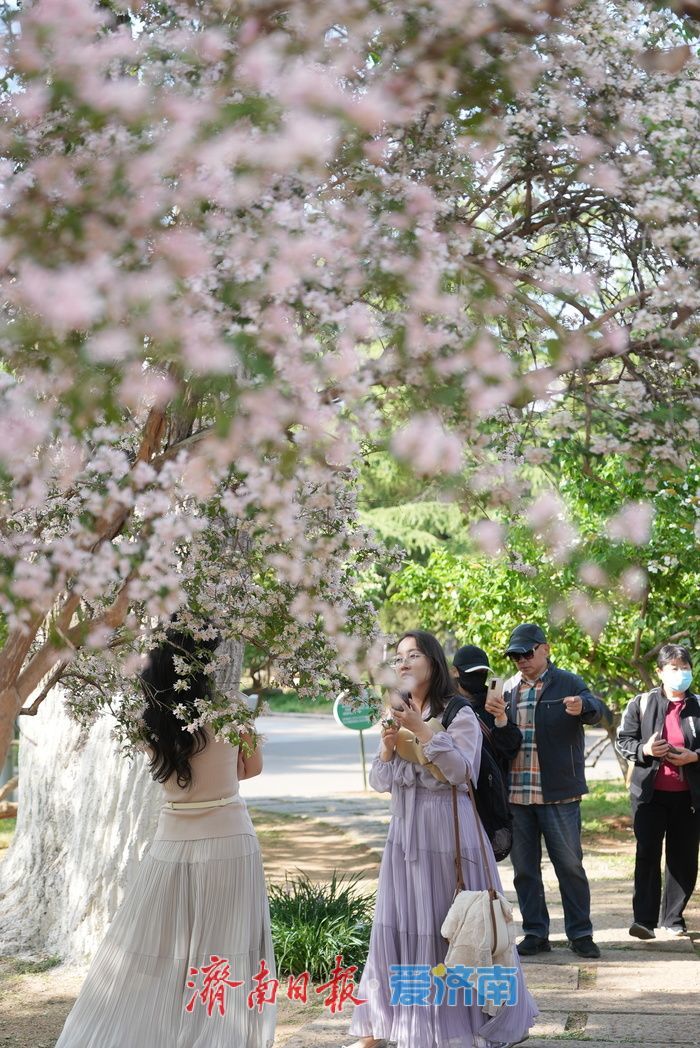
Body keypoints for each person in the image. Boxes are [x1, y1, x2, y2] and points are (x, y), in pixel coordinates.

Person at [55, 629, 275, 1048]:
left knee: (154, 951)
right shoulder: (230, 709)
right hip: (229, 840)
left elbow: (176, 769)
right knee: (226, 950)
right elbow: (252, 768)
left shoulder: (147, 720)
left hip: (169, 844)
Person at [346, 629, 538, 1048]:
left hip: (452, 839)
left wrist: (421, 728)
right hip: (406, 839)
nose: (404, 663)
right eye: (398, 658)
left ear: (433, 662)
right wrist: (386, 746)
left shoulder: (459, 713)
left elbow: (460, 772)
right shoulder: (395, 713)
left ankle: (463, 1026)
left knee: (455, 931)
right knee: (403, 930)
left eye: (413, 655)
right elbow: (382, 781)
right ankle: (387, 1026)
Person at [502, 623, 606, 960]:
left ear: (544, 649)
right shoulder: (508, 690)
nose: (521, 660)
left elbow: (599, 709)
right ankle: (535, 932)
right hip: (517, 796)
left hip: (558, 795)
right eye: (515, 655)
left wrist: (583, 707)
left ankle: (581, 933)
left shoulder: (568, 683)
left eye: (527, 653)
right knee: (524, 871)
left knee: (570, 867)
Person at [616, 642, 700, 940]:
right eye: (674, 668)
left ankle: (673, 919)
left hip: (689, 797)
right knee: (647, 854)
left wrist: (695, 756)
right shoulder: (641, 703)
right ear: (660, 672)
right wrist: (646, 749)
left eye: (686, 668)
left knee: (684, 858)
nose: (681, 674)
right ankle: (644, 921)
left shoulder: (698, 705)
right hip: (650, 795)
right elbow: (624, 741)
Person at [452, 644, 523, 781]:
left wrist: (501, 719)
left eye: (482, 673)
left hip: (489, 790)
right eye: (472, 673)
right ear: (454, 672)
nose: (478, 677)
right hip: (458, 786)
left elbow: (510, 750)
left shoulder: (494, 704)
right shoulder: (445, 704)